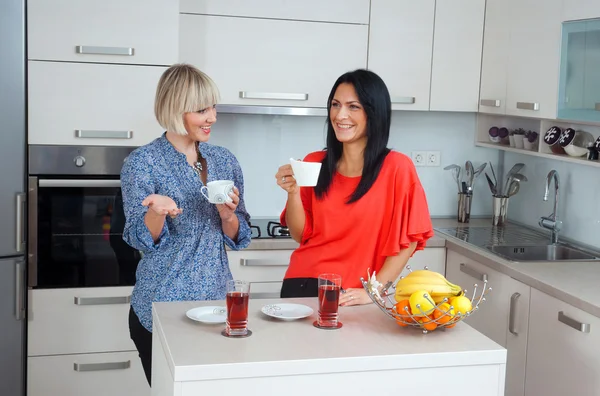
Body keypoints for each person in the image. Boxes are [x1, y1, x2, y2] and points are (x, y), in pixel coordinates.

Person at [121, 63, 251, 386]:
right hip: (161, 314)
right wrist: (157, 213)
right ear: (175, 108)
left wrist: (228, 217)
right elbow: (139, 238)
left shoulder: (224, 160)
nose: (213, 117)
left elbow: (241, 235)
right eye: (201, 109)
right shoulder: (142, 163)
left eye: (213, 107)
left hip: (217, 310)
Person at [275, 69, 434, 306]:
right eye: (336, 104)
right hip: (302, 283)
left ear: (374, 113)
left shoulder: (397, 167)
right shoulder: (313, 162)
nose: (340, 115)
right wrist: (294, 193)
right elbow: (301, 235)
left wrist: (374, 290)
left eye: (353, 106)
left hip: (354, 293)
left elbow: (408, 241)